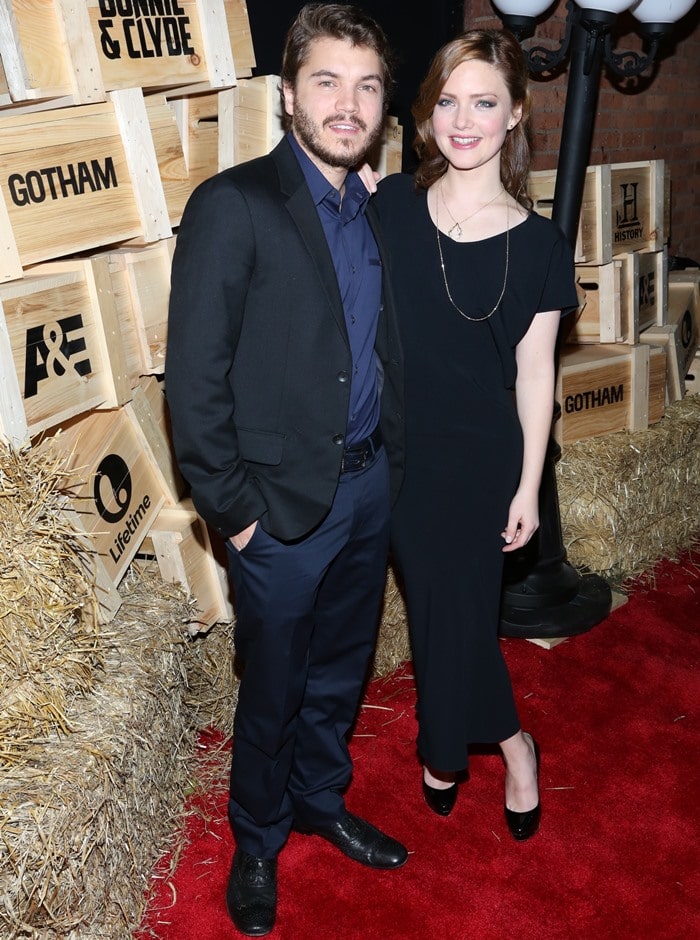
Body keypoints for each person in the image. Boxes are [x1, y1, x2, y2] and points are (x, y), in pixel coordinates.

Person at [165, 4, 406, 936]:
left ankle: (321, 798)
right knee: (272, 685)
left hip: (367, 488)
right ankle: (258, 838)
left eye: (367, 85)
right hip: (279, 510)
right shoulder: (234, 205)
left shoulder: (382, 207)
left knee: (342, 672)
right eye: (327, 82)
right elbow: (194, 375)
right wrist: (235, 514)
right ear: (286, 94)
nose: (347, 105)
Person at [372, 29, 578, 838]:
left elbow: (536, 376)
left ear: (515, 114)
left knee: (451, 613)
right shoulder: (389, 204)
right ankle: (508, 740)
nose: (463, 120)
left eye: (484, 102)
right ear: (426, 117)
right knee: (438, 611)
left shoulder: (539, 246)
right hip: (393, 452)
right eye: (447, 101)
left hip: (481, 460)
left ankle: (471, 745)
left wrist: (528, 484)